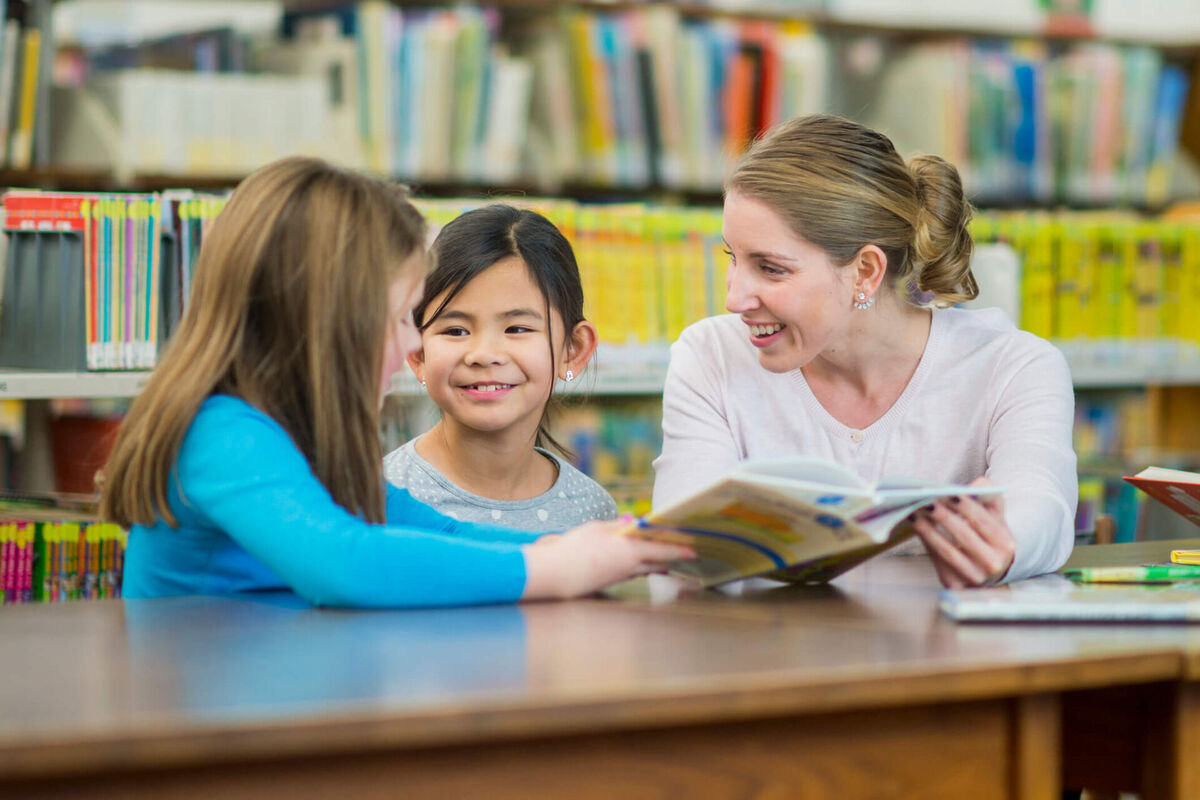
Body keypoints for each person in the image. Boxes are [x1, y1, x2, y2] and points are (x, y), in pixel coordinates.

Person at [100, 158, 693, 608]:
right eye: (400, 319)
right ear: (330, 321)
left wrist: (581, 547)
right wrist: (556, 568)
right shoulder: (221, 435)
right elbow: (344, 560)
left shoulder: (301, 440)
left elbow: (427, 527)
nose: (415, 345)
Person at [652, 114, 1077, 588]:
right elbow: (680, 543)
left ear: (866, 271)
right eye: (733, 258)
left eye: (770, 269)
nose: (734, 300)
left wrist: (1003, 541)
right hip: (766, 652)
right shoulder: (710, 356)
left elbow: (1043, 507)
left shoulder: (1015, 368)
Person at [385, 204, 618, 531]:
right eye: (456, 331)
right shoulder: (377, 498)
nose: (484, 354)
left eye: (517, 329)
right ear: (418, 354)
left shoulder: (594, 513)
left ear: (573, 350)